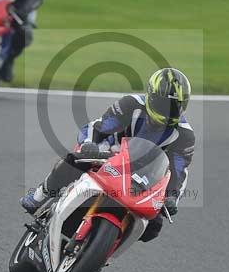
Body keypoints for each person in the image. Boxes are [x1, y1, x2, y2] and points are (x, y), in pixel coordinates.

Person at [20, 68, 195, 243]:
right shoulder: (131, 104)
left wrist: (171, 197)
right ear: (151, 96)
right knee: (75, 160)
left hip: (144, 176)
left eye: (175, 106)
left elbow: (179, 171)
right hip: (109, 153)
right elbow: (99, 127)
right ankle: (39, 196)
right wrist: (89, 144)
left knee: (153, 227)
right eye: (164, 105)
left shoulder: (185, 135)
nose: (168, 111)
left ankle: (105, 246)